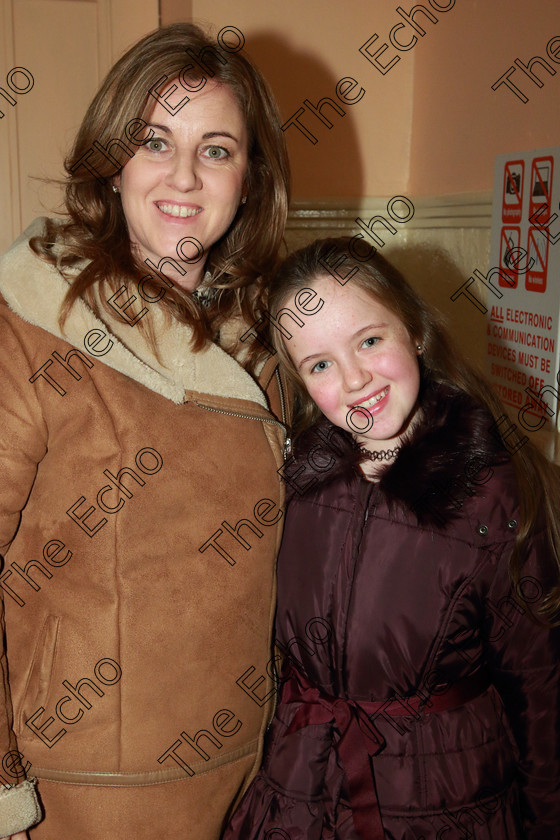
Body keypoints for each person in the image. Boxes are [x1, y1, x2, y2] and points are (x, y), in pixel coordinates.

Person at [0, 22, 290, 840]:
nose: (184, 178)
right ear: (113, 161)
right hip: (81, 791)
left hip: (247, 775)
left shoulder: (268, 338)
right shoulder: (32, 325)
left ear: (249, 178)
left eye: (218, 149)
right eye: (154, 140)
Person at [223, 237, 560, 839]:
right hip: (298, 796)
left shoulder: (493, 492)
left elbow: (541, 689)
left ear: (414, 329)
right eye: (319, 364)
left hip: (443, 806)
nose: (354, 380)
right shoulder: (293, 482)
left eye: (369, 340)